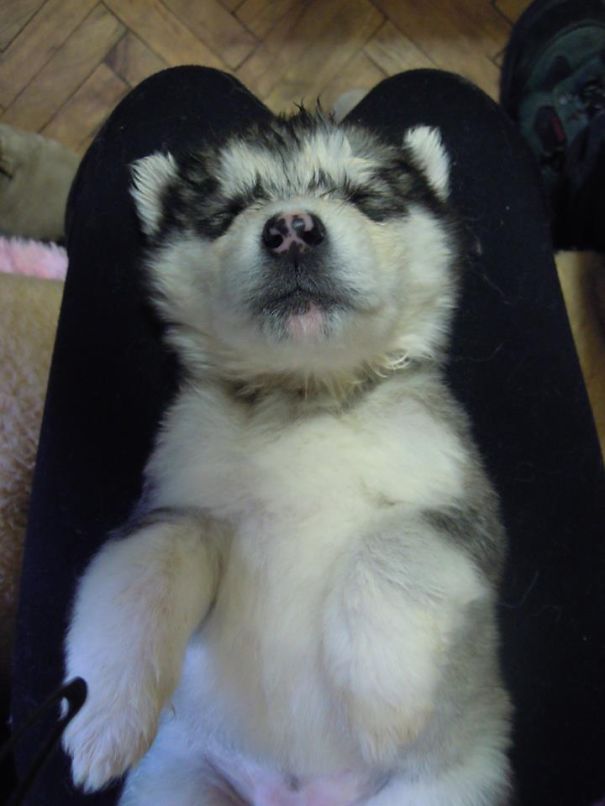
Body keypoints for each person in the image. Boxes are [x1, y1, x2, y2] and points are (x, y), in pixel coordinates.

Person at [8, 2, 605, 804]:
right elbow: (169, 542)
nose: (291, 226)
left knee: (174, 100)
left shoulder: (420, 422)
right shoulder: (200, 427)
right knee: (444, 101)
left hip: (418, 772)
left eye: (362, 195)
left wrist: (387, 594)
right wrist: (125, 661)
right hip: (209, 762)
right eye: (230, 213)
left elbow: (462, 535)